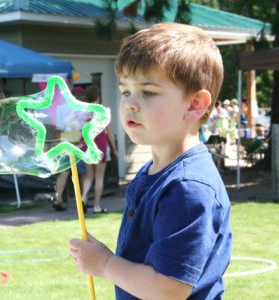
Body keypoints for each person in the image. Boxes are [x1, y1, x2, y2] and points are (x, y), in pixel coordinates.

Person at [69, 23, 232, 299]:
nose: (130, 103)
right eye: (125, 91)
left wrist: (106, 265)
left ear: (194, 105)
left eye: (148, 92)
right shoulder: (156, 171)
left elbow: (169, 290)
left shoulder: (187, 187)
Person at [79, 85, 118, 213]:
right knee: (99, 177)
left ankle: (83, 197)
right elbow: (109, 133)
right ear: (97, 97)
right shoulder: (102, 111)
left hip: (86, 144)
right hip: (100, 144)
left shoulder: (82, 111)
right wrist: (114, 149)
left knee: (89, 175)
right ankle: (96, 206)